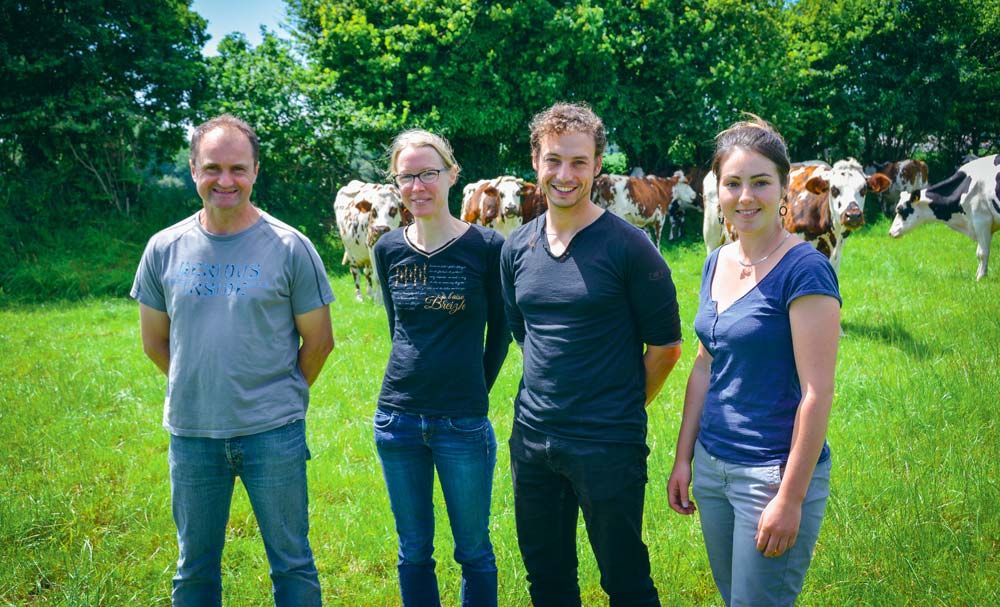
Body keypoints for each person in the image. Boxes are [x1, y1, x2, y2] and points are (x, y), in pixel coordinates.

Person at [131, 114, 334, 607]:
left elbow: (319, 342)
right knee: (194, 570)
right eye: (212, 168)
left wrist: (274, 395)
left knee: (293, 565)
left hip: (273, 433)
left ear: (256, 171)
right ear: (193, 169)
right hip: (193, 434)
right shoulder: (164, 248)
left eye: (238, 169)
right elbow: (156, 344)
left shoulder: (291, 247)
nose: (226, 181)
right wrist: (204, 388)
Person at [500, 102, 683, 607]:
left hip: (607, 444)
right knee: (547, 579)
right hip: (532, 441)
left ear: (598, 165)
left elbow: (666, 348)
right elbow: (525, 332)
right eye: (554, 160)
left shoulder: (630, 248)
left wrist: (619, 405)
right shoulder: (516, 247)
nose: (565, 175)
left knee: (625, 581)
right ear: (535, 160)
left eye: (579, 162)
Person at [666, 115, 841, 606]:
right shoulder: (716, 261)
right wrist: (684, 458)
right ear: (717, 193)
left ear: (785, 188)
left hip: (770, 474)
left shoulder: (805, 270)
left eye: (761, 182)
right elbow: (704, 365)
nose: (746, 197)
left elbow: (817, 394)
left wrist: (790, 497)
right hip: (713, 466)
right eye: (733, 183)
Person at [371, 129, 510, 607]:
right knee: (413, 552)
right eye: (407, 176)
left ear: (452, 175)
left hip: (463, 422)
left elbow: (501, 334)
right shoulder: (388, 249)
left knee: (473, 551)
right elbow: (398, 328)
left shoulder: (488, 247)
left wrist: (475, 389)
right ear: (396, 184)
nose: (418, 186)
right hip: (397, 420)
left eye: (429, 173)